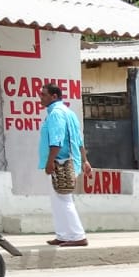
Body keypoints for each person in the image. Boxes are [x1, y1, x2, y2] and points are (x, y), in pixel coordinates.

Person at [39, 83, 88, 247]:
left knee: (63, 199)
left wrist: (49, 161)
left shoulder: (56, 114)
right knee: (58, 199)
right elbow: (78, 140)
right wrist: (85, 160)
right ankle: (63, 234)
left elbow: (57, 141)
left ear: (54, 96)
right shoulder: (69, 112)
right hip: (70, 160)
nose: (41, 97)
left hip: (60, 161)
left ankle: (78, 235)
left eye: (44, 95)